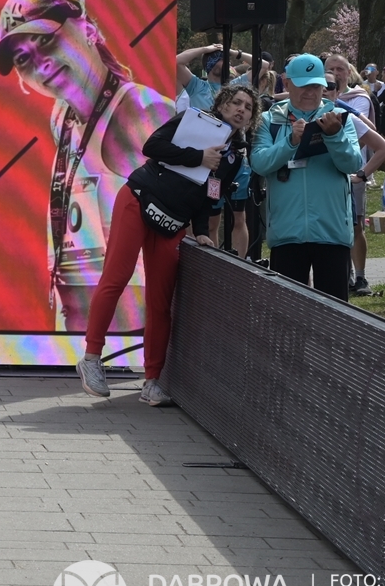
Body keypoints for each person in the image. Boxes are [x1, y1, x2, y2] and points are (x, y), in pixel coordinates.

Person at [0, 0, 174, 332]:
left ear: (88, 29)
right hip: (75, 318)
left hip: (127, 325)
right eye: (23, 59)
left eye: (46, 39)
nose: (40, 63)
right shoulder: (61, 116)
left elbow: (183, 205)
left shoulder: (143, 113)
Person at [75, 84, 255, 406]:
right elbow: (152, 146)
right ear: (221, 104)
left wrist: (202, 230)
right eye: (236, 102)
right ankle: (91, 359)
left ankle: (152, 381)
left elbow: (211, 194)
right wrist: (199, 157)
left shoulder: (235, 156)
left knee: (160, 301)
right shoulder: (192, 120)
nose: (241, 109)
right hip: (139, 200)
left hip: (173, 222)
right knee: (116, 277)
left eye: (248, 107)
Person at [250, 54, 364, 300]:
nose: (310, 92)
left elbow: (353, 164)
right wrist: (290, 141)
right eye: (303, 85)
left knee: (334, 312)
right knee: (288, 312)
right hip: (287, 233)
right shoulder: (269, 120)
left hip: (332, 232)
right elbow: (259, 164)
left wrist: (335, 136)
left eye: (315, 85)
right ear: (287, 83)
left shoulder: (339, 118)